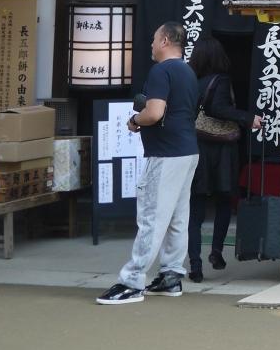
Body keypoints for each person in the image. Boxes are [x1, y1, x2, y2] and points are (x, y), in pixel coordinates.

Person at [97, 22, 200, 305]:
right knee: (178, 217)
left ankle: (132, 281)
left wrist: (134, 120)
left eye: (154, 39)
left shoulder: (161, 71)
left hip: (165, 154)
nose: (152, 45)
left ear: (165, 40)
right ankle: (171, 275)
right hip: (187, 151)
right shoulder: (188, 72)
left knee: (152, 217)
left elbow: (154, 113)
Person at [186, 36, 260, 283]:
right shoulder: (221, 80)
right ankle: (216, 251)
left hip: (197, 147)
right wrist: (248, 118)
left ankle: (195, 265)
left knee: (195, 209)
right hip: (222, 150)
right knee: (224, 201)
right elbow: (218, 109)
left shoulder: (190, 81)